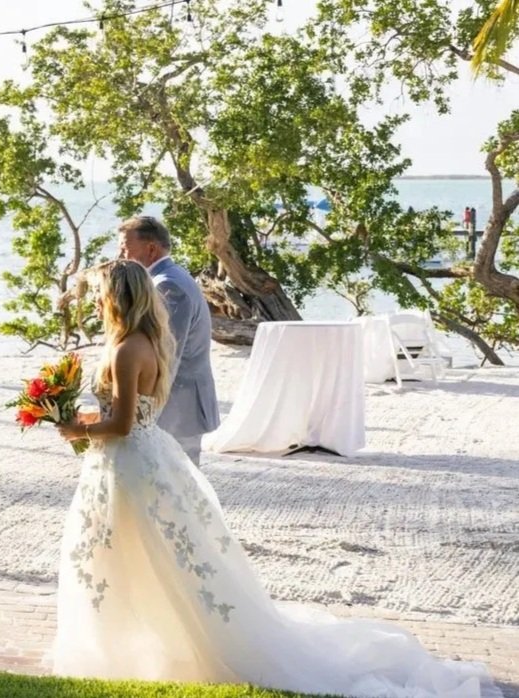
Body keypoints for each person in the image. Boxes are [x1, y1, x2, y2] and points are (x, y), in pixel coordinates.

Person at [53, 259, 495, 696]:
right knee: (131, 552)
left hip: (129, 459)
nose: (94, 300)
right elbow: (127, 414)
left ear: (117, 296)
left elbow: (125, 424)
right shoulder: (140, 340)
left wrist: (77, 429)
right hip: (132, 459)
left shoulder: (129, 348)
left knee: (140, 553)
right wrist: (85, 416)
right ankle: (132, 644)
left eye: (99, 292)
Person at [117, 215, 219, 466]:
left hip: (178, 407)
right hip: (179, 405)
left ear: (150, 248)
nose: (120, 255)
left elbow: (166, 354)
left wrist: (143, 415)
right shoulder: (169, 277)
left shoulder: (168, 285)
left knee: (180, 486)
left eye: (125, 248)